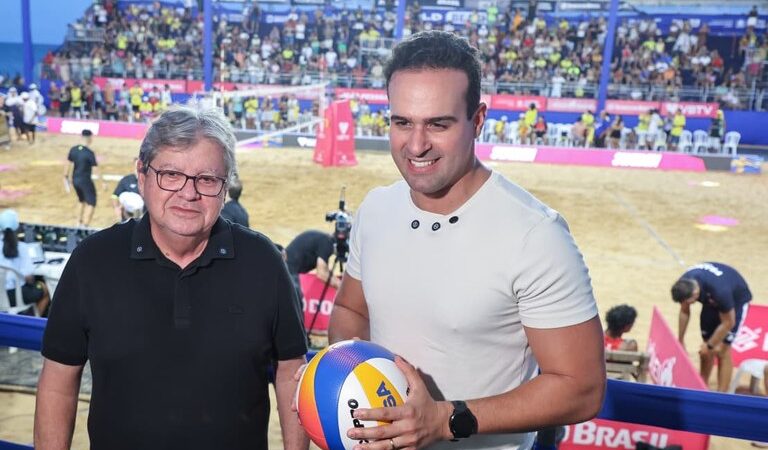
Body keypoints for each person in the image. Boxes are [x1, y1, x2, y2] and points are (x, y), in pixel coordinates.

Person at [327, 31, 604, 450]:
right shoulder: (376, 208)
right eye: (402, 122)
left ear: (477, 120)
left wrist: (446, 420)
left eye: (438, 124)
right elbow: (350, 308)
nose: (416, 145)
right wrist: (348, 377)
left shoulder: (536, 235)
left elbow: (581, 387)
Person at [35, 106, 309, 450]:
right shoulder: (92, 260)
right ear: (142, 174)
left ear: (225, 188)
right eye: (171, 174)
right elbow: (59, 379)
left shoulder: (264, 261)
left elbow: (290, 370)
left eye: (207, 179)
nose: (188, 193)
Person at [672, 262, 752, 392]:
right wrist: (680, 339)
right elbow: (684, 311)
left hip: (735, 302)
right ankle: (702, 386)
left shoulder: (720, 291)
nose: (687, 304)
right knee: (706, 349)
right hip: (712, 300)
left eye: (689, 302)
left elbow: (728, 322)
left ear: (696, 293)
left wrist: (710, 345)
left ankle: (722, 394)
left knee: (722, 350)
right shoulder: (684, 284)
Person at [0, 209, 50, 316]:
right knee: (44, 288)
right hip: (16, 295)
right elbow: (29, 278)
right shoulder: (22, 248)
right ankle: (33, 322)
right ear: (18, 228)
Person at [64, 129, 104, 227]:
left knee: (81, 200)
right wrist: (102, 182)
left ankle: (78, 222)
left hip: (75, 180)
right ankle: (85, 225)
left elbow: (67, 165)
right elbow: (96, 169)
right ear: (89, 138)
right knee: (91, 202)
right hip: (85, 180)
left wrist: (65, 177)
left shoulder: (73, 149)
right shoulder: (89, 153)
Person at [285, 230, 341, 299]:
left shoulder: (324, 240)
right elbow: (322, 274)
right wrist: (342, 287)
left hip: (288, 267)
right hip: (289, 270)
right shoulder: (327, 243)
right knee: (297, 301)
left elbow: (324, 269)